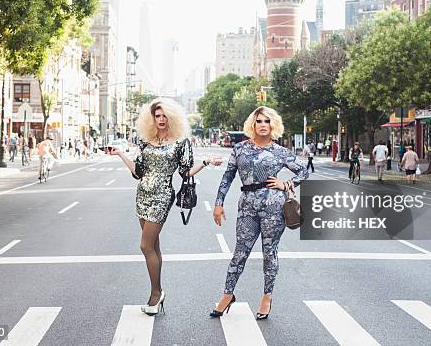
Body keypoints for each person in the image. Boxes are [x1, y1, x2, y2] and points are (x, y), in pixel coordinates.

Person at [110, 98, 222, 316]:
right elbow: (138, 172)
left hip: (162, 195)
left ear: (172, 117)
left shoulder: (181, 142)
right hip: (142, 193)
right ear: (151, 118)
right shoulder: (145, 141)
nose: (161, 119)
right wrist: (120, 154)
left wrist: (206, 162)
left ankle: (155, 293)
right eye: (157, 115)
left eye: (164, 115)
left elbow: (185, 173)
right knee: (154, 246)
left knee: (145, 246)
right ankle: (158, 291)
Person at [211, 106, 309, 320]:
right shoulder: (240, 149)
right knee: (240, 252)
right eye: (259, 121)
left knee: (269, 253)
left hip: (273, 207)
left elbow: (305, 170)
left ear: (272, 125)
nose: (263, 125)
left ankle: (267, 296)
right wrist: (219, 204)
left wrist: (286, 184)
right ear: (252, 125)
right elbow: (227, 177)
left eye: (267, 121)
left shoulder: (280, 151)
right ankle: (228, 295)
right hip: (247, 206)